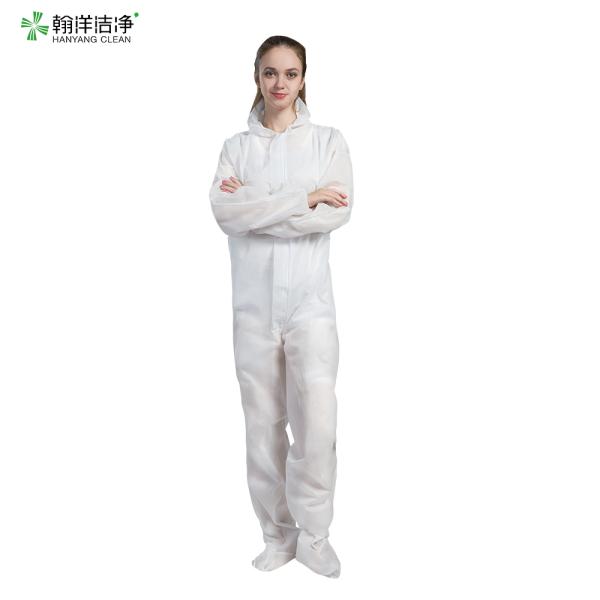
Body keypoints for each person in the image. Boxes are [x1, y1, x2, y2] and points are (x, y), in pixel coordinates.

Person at [208, 35, 353, 579]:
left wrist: (258, 207)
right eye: (270, 73)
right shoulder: (235, 149)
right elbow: (226, 214)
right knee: (262, 422)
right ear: (256, 76)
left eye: (290, 74)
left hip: (310, 306)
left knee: (316, 419)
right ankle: (277, 535)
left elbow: (335, 213)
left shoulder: (329, 142)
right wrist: (303, 199)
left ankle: (315, 536)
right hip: (253, 307)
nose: (279, 84)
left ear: (303, 78)